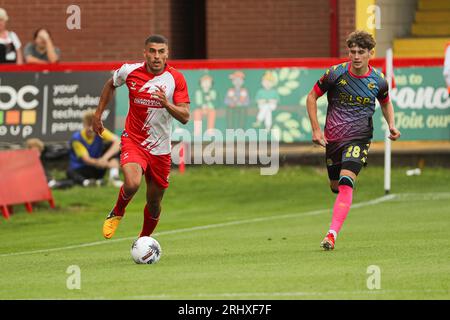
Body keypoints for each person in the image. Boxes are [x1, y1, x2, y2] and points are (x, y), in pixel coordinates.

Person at [306, 30, 401, 250]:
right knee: (336, 185)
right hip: (333, 141)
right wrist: (316, 130)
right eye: (352, 51)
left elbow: (385, 102)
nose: (356, 56)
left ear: (370, 53)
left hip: (359, 138)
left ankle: (331, 234)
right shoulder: (336, 73)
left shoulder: (378, 80)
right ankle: (340, 194)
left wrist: (392, 124)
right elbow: (312, 96)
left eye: (361, 52)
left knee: (347, 181)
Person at [93, 34, 190, 239]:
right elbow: (111, 84)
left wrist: (166, 104)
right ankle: (117, 211)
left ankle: (143, 241)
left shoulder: (176, 79)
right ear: (145, 53)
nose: (156, 56)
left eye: (161, 52)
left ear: (167, 54)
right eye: (152, 51)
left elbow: (185, 116)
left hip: (161, 149)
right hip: (134, 140)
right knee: (132, 183)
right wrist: (98, 114)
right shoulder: (130, 71)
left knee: (154, 203)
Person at [67, 110, 123, 188]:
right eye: (88, 125)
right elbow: (87, 160)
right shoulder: (77, 138)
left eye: (93, 125)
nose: (91, 128)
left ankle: (114, 177)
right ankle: (87, 182)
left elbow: (118, 142)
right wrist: (106, 164)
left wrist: (104, 158)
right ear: (84, 124)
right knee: (70, 171)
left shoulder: (100, 131)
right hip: (82, 168)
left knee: (113, 147)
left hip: (98, 167)